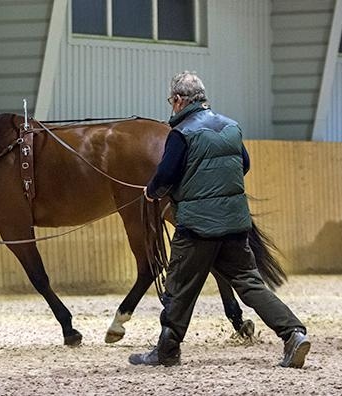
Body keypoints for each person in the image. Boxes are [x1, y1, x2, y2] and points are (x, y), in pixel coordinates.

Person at [129, 71, 310, 368]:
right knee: (250, 285)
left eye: (171, 101)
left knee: (179, 287)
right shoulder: (231, 127)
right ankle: (293, 334)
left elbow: (165, 176)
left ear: (178, 101)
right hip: (235, 226)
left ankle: (167, 351)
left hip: (197, 228)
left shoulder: (181, 133)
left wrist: (151, 192)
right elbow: (244, 165)